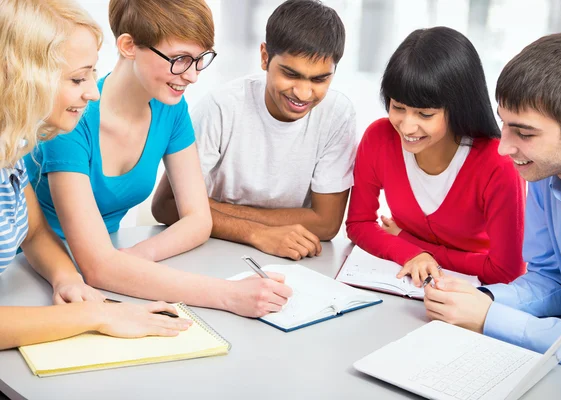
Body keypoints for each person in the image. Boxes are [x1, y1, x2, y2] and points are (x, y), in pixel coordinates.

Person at [25, 0, 292, 318]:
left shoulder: (171, 107)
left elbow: (198, 219)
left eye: (199, 60)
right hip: (38, 273)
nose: (192, 76)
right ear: (128, 46)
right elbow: (96, 266)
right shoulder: (71, 117)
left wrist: (137, 255)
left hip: (109, 268)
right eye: (179, 60)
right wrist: (228, 295)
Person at [0, 0, 192, 350]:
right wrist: (97, 316)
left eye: (91, 73)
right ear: (18, 72)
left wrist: (66, 278)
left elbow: (36, 229)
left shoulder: (11, 151)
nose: (93, 91)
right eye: (77, 78)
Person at [424, 33, 561, 376]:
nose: (504, 148)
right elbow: (553, 281)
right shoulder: (546, 173)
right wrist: (482, 299)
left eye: (525, 133)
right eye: (504, 124)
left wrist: (491, 319)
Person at [151, 0, 357, 261]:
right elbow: (165, 206)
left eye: (320, 79)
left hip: (293, 255)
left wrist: (209, 209)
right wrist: (255, 233)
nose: (303, 93)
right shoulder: (222, 107)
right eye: (290, 74)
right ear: (264, 57)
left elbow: (326, 224)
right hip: (212, 247)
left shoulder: (338, 115)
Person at [345, 27, 526, 286]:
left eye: (425, 114)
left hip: (477, 297)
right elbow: (359, 224)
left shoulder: (498, 163)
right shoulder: (379, 138)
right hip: (408, 289)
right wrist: (411, 253)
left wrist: (413, 245)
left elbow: (506, 272)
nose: (407, 127)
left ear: (459, 107)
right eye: (398, 107)